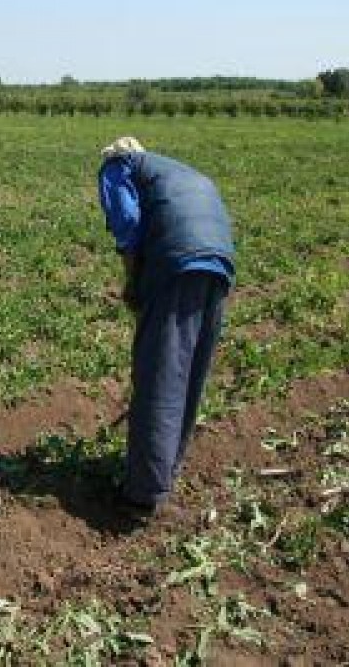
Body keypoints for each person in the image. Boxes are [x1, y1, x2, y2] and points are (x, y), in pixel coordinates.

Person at [96, 136, 235, 521]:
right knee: (190, 368)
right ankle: (165, 470)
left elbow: (127, 224)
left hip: (177, 257)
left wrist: (132, 280)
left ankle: (142, 495)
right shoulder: (172, 169)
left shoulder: (116, 166)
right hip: (219, 258)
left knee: (161, 372)